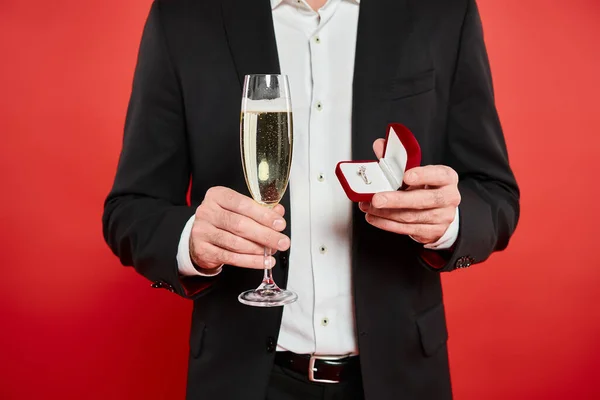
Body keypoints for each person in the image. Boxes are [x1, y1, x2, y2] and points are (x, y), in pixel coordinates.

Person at [102, 0, 520, 398]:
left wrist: (450, 222)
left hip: (402, 376)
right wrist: (190, 241)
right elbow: (131, 208)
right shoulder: (185, 16)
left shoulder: (443, 11)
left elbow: (495, 193)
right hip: (242, 379)